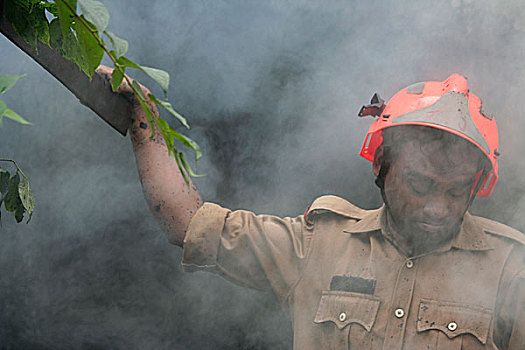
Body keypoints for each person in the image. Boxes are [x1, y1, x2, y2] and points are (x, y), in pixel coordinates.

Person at [97, 66, 525, 349]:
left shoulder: (512, 271)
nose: (436, 208)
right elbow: (188, 224)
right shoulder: (319, 244)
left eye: (455, 193)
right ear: (381, 164)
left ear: (476, 187)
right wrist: (144, 120)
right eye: (420, 184)